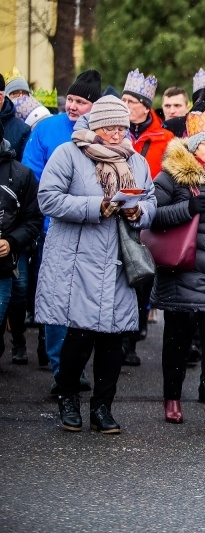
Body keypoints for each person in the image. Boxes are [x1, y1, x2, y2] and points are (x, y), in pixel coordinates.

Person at [37, 95, 156, 434]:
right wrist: (96, 206)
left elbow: (149, 199)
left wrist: (138, 211)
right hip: (78, 261)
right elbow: (48, 198)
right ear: (95, 125)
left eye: (122, 127)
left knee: (113, 342)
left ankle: (102, 408)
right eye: (109, 127)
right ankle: (69, 399)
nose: (117, 133)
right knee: (78, 337)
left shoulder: (136, 160)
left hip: (119, 260)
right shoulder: (69, 154)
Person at [150, 108, 205, 428]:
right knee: (177, 339)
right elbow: (151, 217)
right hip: (180, 269)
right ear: (192, 146)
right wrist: (186, 208)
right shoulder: (170, 177)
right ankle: (172, 397)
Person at [22, 69, 102, 394]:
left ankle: (76, 366)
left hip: (94, 233)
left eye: (81, 101)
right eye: (70, 99)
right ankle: (59, 369)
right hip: (52, 229)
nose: (72, 106)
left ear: (94, 106)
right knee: (57, 302)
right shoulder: (46, 129)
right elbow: (32, 178)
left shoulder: (103, 134)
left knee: (83, 302)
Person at [121, 68, 175, 365]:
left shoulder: (165, 138)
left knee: (141, 277)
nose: (125, 105)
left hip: (149, 214)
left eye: (131, 100)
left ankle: (133, 335)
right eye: (123, 99)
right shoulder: (112, 131)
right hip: (115, 212)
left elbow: (167, 178)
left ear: (144, 105)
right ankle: (120, 335)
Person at [0, 121, 43, 366]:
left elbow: (33, 219)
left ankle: (18, 340)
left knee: (19, 293)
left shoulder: (21, 174)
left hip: (8, 260)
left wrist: (11, 242)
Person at [0, 73, 31, 161]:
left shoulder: (23, 130)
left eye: (24, 93)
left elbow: (24, 168)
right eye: (15, 93)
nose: (20, 98)